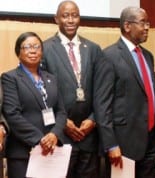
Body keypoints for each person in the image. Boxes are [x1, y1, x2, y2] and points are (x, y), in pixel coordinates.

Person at [41, 1, 106, 177]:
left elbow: (102, 90)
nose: (71, 20)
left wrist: (93, 120)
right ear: (56, 19)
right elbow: (40, 94)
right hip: (60, 135)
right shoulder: (45, 49)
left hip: (89, 135)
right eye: (65, 15)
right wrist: (62, 123)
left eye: (74, 15)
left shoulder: (93, 49)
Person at [95, 6, 155, 178]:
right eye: (142, 23)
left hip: (151, 141)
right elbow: (102, 105)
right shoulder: (108, 56)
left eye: (148, 23)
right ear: (127, 26)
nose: (147, 27)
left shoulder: (148, 55)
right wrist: (111, 144)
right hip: (123, 144)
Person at [1, 31, 67, 178]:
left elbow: (61, 112)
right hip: (23, 153)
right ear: (18, 52)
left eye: (37, 46)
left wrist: (54, 134)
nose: (33, 50)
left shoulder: (51, 78)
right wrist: (40, 139)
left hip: (52, 150)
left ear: (42, 51)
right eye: (27, 47)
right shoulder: (10, 78)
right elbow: (12, 114)